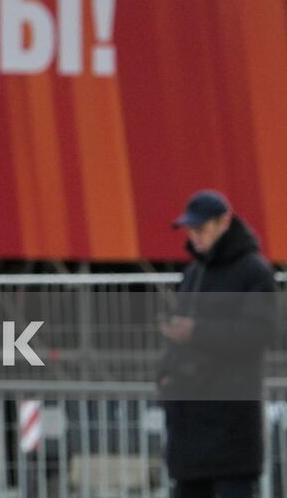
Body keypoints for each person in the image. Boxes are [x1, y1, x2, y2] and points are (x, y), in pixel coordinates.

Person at [157, 189, 277, 498]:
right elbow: (180, 335)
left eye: (200, 229)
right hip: (190, 427)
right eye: (190, 230)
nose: (194, 237)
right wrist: (166, 376)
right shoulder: (195, 273)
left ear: (224, 223)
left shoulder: (253, 272)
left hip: (231, 426)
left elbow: (259, 332)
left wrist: (197, 333)